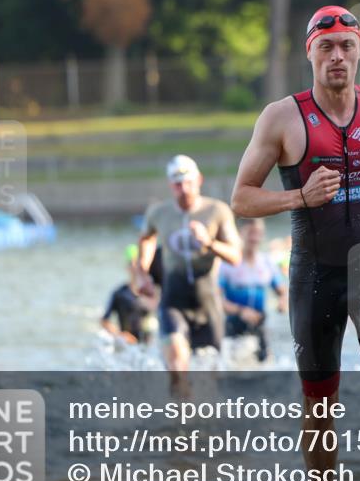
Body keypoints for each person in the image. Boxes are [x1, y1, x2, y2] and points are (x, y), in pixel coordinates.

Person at [231, 5, 360, 481]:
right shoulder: (281, 118)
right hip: (313, 276)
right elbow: (240, 199)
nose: (337, 57)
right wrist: (298, 195)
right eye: (326, 48)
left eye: (346, 47)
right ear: (310, 53)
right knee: (320, 410)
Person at [137, 154, 242, 398]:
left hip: (208, 303)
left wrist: (210, 242)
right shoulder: (158, 213)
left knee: (211, 381)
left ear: (199, 180)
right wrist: (142, 272)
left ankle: (207, 426)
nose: (183, 189)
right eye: (177, 184)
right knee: (177, 366)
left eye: (188, 182)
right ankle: (179, 426)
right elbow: (146, 239)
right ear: (170, 185)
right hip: (174, 301)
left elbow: (235, 256)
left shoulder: (217, 210)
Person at [219, 217, 288, 363]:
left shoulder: (266, 262)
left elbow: (281, 290)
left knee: (264, 366)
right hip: (234, 326)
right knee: (233, 368)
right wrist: (241, 311)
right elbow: (216, 300)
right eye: (250, 233)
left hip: (260, 324)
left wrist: (282, 302)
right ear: (239, 234)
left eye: (258, 233)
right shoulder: (227, 264)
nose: (255, 238)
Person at [101, 244, 157, 345]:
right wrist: (121, 335)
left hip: (149, 345)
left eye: (138, 264)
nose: (136, 267)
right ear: (128, 267)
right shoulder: (119, 294)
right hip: (129, 344)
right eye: (132, 263)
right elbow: (104, 321)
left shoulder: (153, 293)